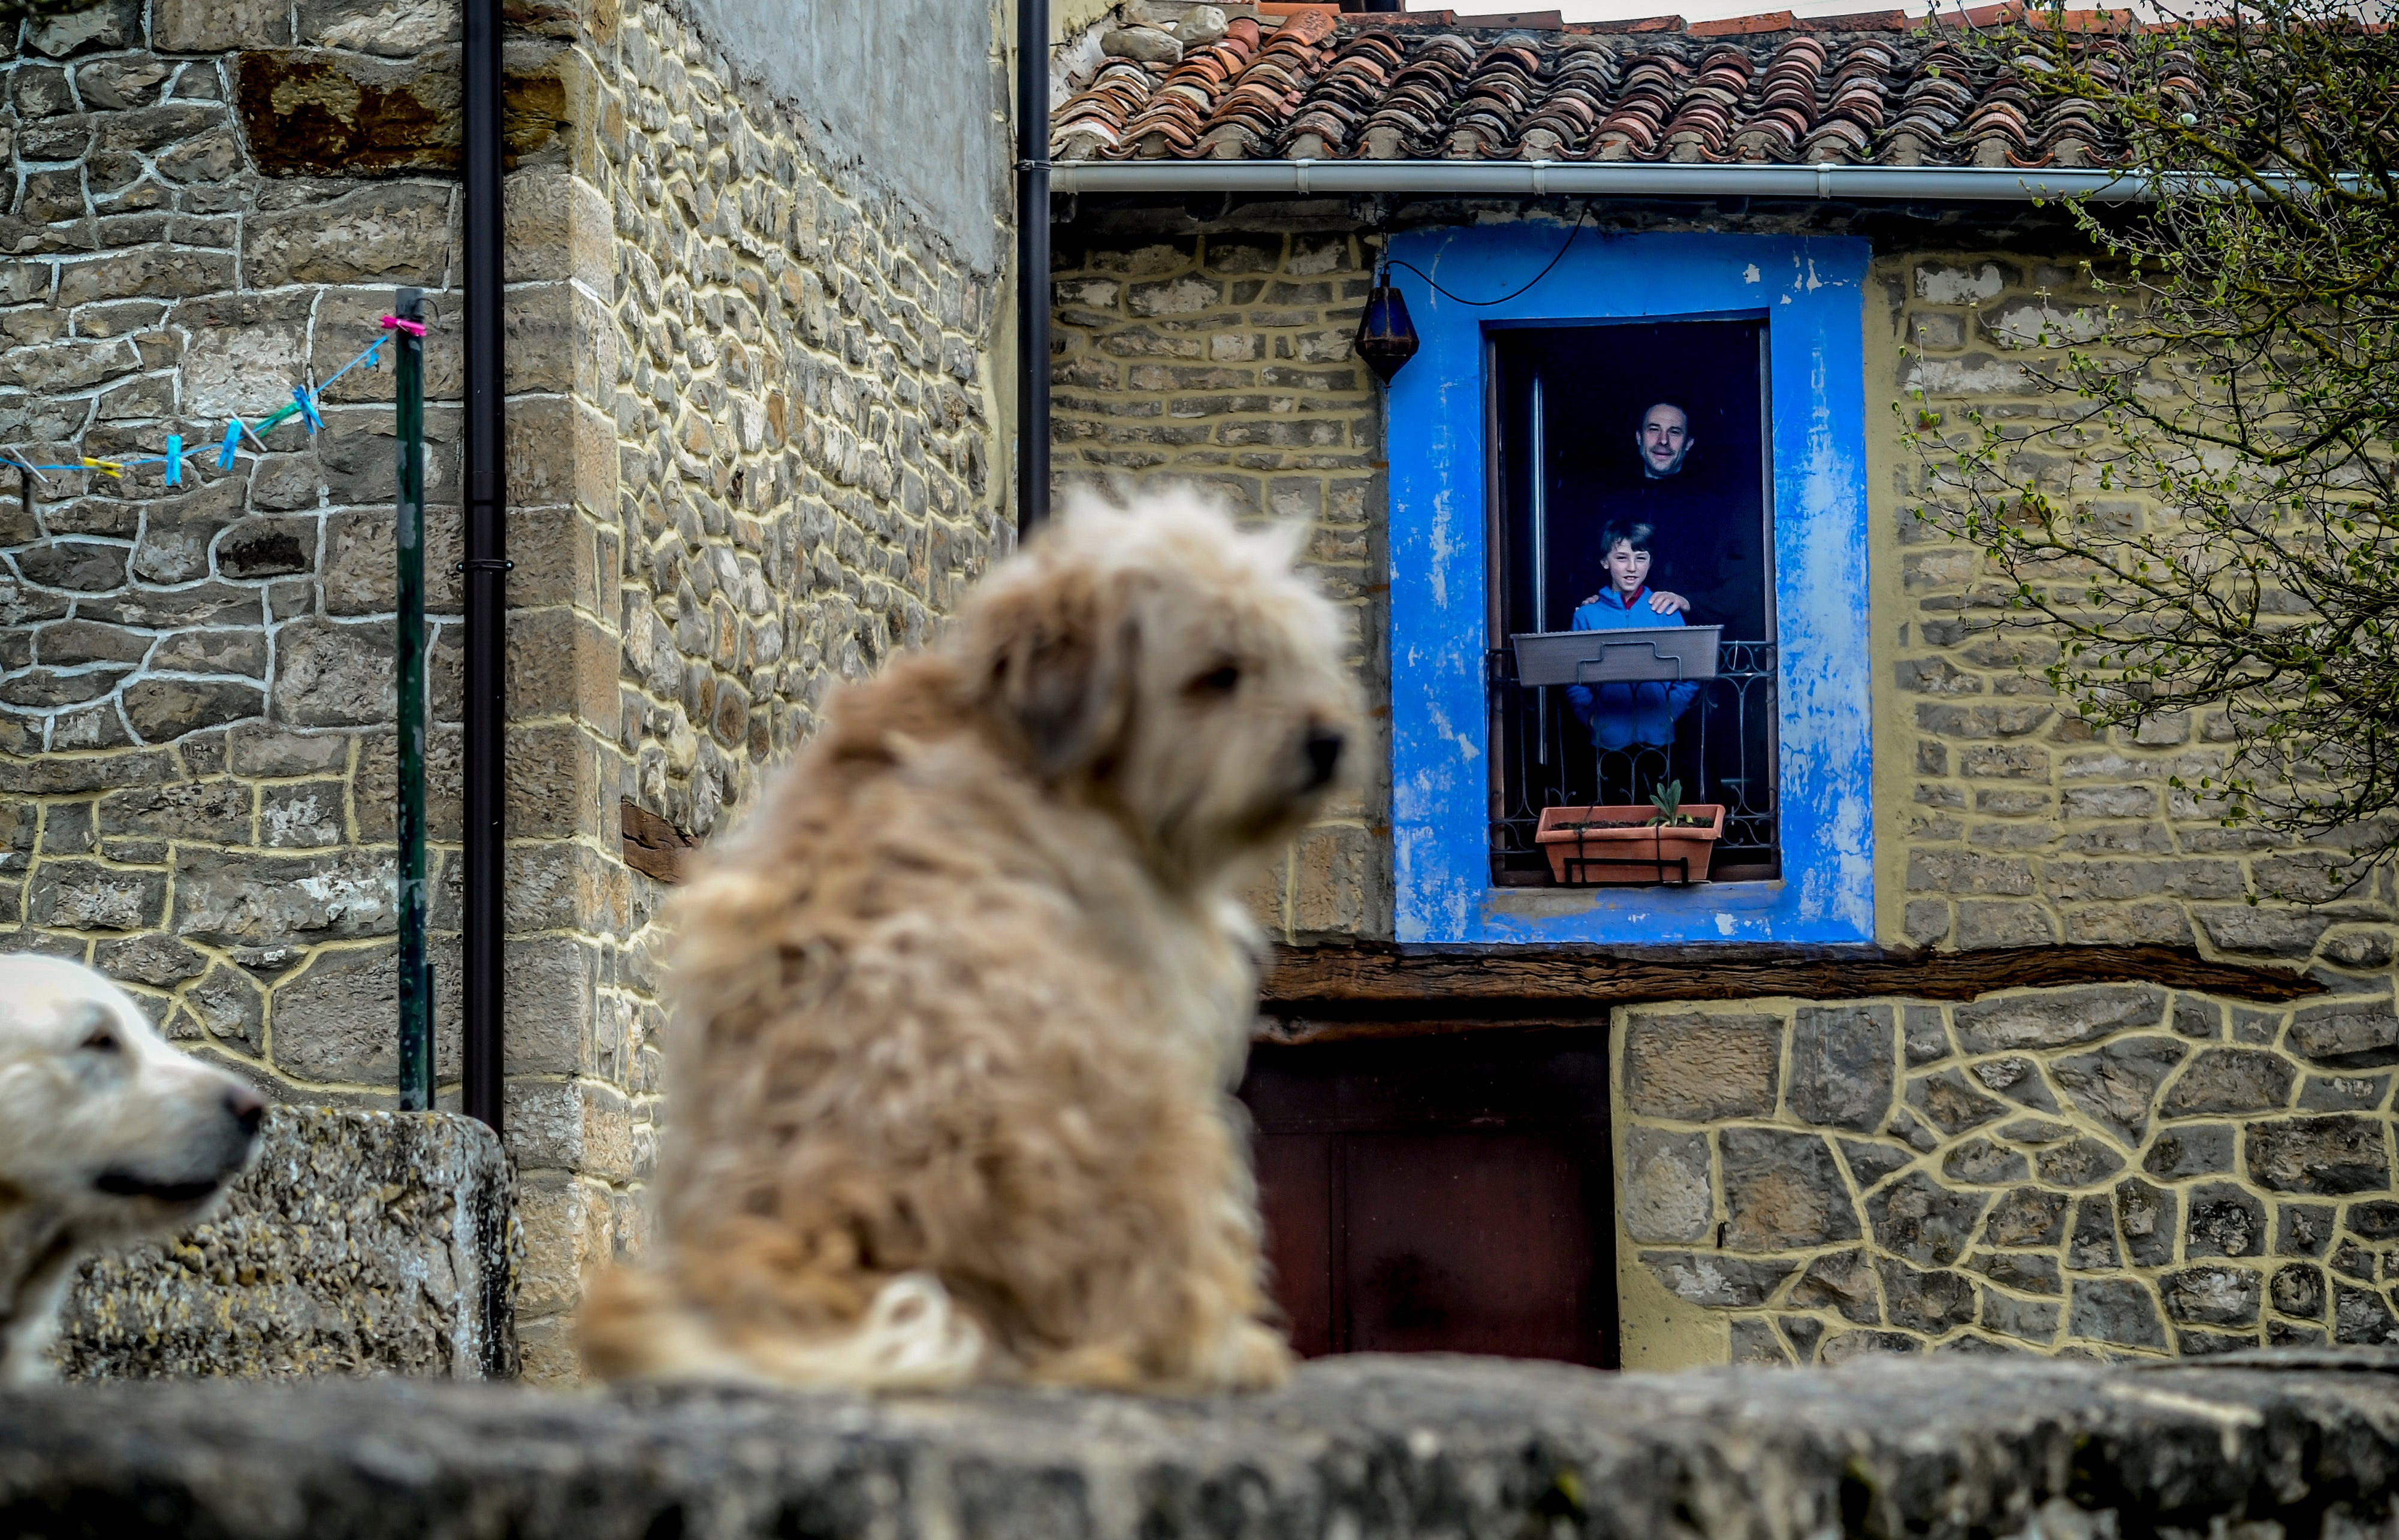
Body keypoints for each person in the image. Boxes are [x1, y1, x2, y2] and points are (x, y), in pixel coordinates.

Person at [1565, 521, 1700, 753]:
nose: (1632, 568)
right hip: (1607, 736)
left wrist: (1668, 713)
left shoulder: (1666, 611)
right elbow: (1572, 677)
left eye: (1641, 558)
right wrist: (1592, 718)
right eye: (1621, 558)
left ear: (1651, 562)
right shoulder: (1587, 615)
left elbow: (1690, 673)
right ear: (1605, 561)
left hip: (1659, 735)